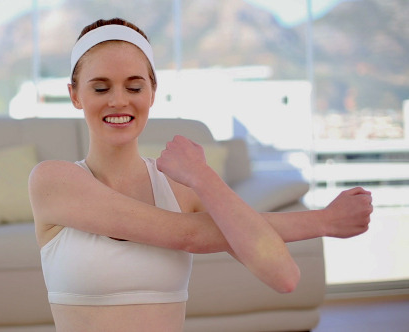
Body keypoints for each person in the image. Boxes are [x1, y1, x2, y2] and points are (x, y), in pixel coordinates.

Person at [28, 18, 373, 332]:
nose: (119, 101)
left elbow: (283, 276)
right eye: (100, 88)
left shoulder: (179, 188)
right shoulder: (53, 182)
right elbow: (190, 234)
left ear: (152, 92)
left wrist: (202, 176)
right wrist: (324, 222)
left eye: (134, 87)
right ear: (75, 95)